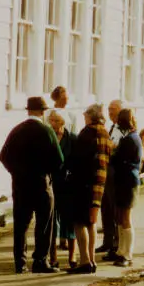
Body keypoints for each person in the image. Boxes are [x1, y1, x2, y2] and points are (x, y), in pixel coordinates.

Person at [0, 96, 63, 274]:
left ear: (28, 110)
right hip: (42, 184)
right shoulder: (47, 131)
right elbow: (59, 160)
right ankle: (40, 261)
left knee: (21, 225)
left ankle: (20, 262)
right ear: (43, 112)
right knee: (44, 224)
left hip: (20, 184)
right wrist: (46, 172)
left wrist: (16, 172)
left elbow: (3, 156)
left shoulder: (17, 130)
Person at [67, 104, 111, 274]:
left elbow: (76, 159)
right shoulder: (105, 133)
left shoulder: (87, 133)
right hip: (99, 183)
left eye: (85, 116)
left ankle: (84, 260)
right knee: (92, 222)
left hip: (82, 182)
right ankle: (92, 260)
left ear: (90, 117)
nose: (84, 119)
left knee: (79, 223)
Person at [110, 109, 143, 267]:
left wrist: (112, 152)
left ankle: (127, 254)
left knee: (125, 218)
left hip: (127, 181)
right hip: (128, 180)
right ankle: (121, 251)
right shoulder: (134, 137)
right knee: (121, 218)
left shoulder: (129, 139)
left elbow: (117, 160)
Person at [47, 109, 78, 269]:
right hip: (52, 183)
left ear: (63, 122)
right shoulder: (48, 138)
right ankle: (53, 257)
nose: (52, 124)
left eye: (55, 121)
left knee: (70, 221)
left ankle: (72, 256)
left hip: (68, 185)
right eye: (50, 120)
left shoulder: (72, 138)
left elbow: (78, 161)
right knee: (52, 221)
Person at [96, 99, 123, 260]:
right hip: (107, 172)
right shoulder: (112, 127)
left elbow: (115, 148)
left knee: (114, 210)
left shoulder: (123, 130)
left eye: (113, 109)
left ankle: (115, 244)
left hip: (116, 173)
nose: (110, 112)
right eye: (109, 109)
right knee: (105, 207)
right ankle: (107, 240)